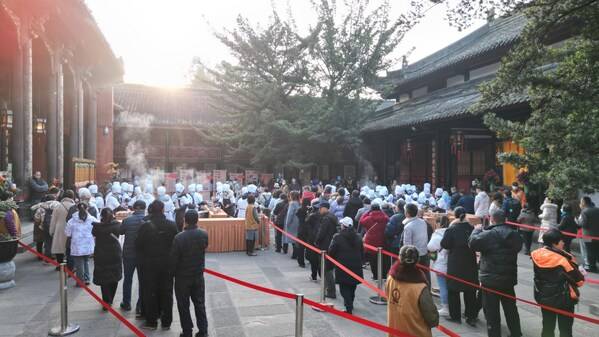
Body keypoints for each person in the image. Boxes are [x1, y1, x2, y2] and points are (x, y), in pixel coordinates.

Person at [469, 209, 523, 337]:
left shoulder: (488, 234)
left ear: (491, 219)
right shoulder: (514, 235)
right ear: (505, 220)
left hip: (490, 279)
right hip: (508, 278)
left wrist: (476, 230)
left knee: (492, 312)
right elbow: (518, 247)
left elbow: (472, 243)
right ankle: (516, 333)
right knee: (511, 309)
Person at [531, 228, 584, 337]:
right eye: (561, 241)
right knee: (565, 330)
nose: (563, 242)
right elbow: (580, 282)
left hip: (543, 296)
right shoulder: (562, 260)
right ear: (554, 243)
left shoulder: (535, 254)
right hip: (564, 299)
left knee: (547, 327)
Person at [136, 200, 178, 330]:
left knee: (150, 292)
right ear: (163, 210)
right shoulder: (171, 225)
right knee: (167, 292)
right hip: (167, 264)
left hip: (150, 264)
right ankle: (166, 321)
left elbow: (138, 245)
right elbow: (176, 245)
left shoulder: (145, 226)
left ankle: (152, 321)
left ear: (151, 210)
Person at [170, 209, 209, 337]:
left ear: (185, 220)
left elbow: (174, 259)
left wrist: (171, 274)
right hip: (198, 275)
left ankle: (187, 331)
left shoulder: (179, 238)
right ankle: (203, 330)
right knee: (200, 304)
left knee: (183, 305)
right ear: (197, 220)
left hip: (182, 277)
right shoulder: (203, 234)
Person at [386, 245, 439, 337]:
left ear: (400, 257)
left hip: (394, 330)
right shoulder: (420, 287)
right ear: (417, 260)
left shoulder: (391, 278)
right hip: (416, 332)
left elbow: (388, 296)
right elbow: (432, 317)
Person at [441, 207, 479, 326]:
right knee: (470, 291)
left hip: (455, 263)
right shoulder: (472, 228)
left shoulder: (452, 229)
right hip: (470, 262)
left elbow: (445, 244)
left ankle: (455, 316)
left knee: (453, 290)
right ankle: (471, 316)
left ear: (456, 216)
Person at [328, 217, 363, 314]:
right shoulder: (358, 237)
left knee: (344, 288)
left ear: (343, 226)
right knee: (352, 286)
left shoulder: (337, 237)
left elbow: (332, 251)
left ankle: (348, 307)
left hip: (343, 265)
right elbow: (361, 251)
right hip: (356, 264)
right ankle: (350, 303)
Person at [92, 208, 122, 310]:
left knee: (103, 277)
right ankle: (111, 299)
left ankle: (106, 300)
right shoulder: (117, 225)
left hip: (101, 254)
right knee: (114, 276)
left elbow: (94, 234)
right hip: (115, 254)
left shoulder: (97, 227)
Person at [119, 200, 146, 314]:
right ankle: (140, 305)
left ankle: (126, 303)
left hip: (129, 253)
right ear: (144, 208)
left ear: (135, 208)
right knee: (143, 280)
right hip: (143, 254)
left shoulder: (127, 220)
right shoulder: (147, 220)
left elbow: (120, 232)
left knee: (128, 279)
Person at [64, 202, 97, 285]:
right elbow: (97, 229)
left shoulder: (72, 220)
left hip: (77, 245)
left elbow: (67, 233)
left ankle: (80, 281)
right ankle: (87, 278)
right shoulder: (92, 219)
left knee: (79, 263)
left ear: (77, 209)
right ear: (87, 208)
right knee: (86, 261)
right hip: (88, 244)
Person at [401, 203, 431, 285]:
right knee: (425, 276)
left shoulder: (408, 227)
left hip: (414, 256)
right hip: (424, 252)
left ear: (407, 213)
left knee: (414, 278)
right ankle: (427, 292)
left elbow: (407, 245)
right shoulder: (423, 222)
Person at [359, 201, 389, 280]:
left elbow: (361, 220)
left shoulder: (368, 218)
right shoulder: (385, 218)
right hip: (382, 240)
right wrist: (381, 212)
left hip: (371, 242)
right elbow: (387, 217)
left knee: (373, 260)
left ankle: (375, 276)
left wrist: (367, 212)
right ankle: (383, 275)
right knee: (382, 259)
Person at [315, 201, 338, 298]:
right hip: (330, 246)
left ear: (324, 208)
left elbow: (321, 233)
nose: (319, 210)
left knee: (327, 270)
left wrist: (316, 241)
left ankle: (331, 291)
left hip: (325, 246)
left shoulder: (326, 219)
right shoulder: (332, 217)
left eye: (320, 208)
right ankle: (328, 289)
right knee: (328, 269)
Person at [427, 215, 449, 317]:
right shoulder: (451, 232)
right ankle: (451, 306)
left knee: (443, 287)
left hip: (441, 263)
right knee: (449, 287)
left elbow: (430, 247)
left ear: (438, 223)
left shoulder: (437, 234)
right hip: (451, 263)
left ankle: (445, 307)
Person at [50, 190, 76, 266]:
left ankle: (60, 265)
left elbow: (53, 220)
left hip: (59, 228)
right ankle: (70, 265)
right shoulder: (74, 206)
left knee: (59, 247)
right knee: (69, 247)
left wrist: (51, 231)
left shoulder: (58, 206)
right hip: (71, 229)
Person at [579, 196, 599, 272]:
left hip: (588, 235)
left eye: (581, 202)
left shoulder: (584, 211)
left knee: (589, 251)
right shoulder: (597, 210)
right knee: (597, 250)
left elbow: (583, 224)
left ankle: (592, 267)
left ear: (584, 202)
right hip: (598, 235)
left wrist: (578, 221)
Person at [295, 198, 311, 268]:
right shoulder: (310, 210)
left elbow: (297, 215)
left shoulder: (300, 210)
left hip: (301, 229)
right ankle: (309, 258)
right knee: (309, 246)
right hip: (308, 230)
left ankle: (301, 262)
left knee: (300, 247)